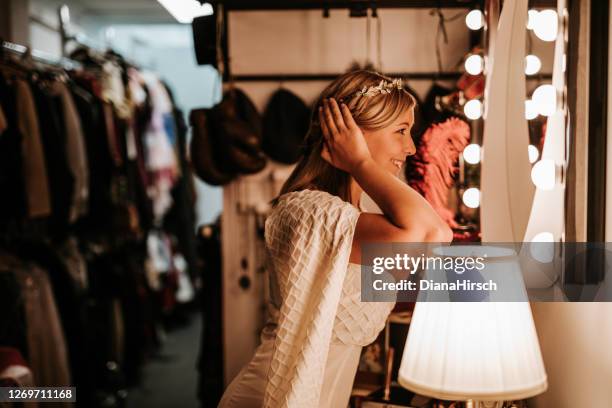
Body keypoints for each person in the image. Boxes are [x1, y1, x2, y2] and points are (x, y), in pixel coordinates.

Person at [217, 70, 452, 408]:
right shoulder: (309, 212)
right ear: (351, 133)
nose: (411, 147)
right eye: (401, 131)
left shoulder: (350, 216)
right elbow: (432, 234)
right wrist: (359, 161)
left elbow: (430, 240)